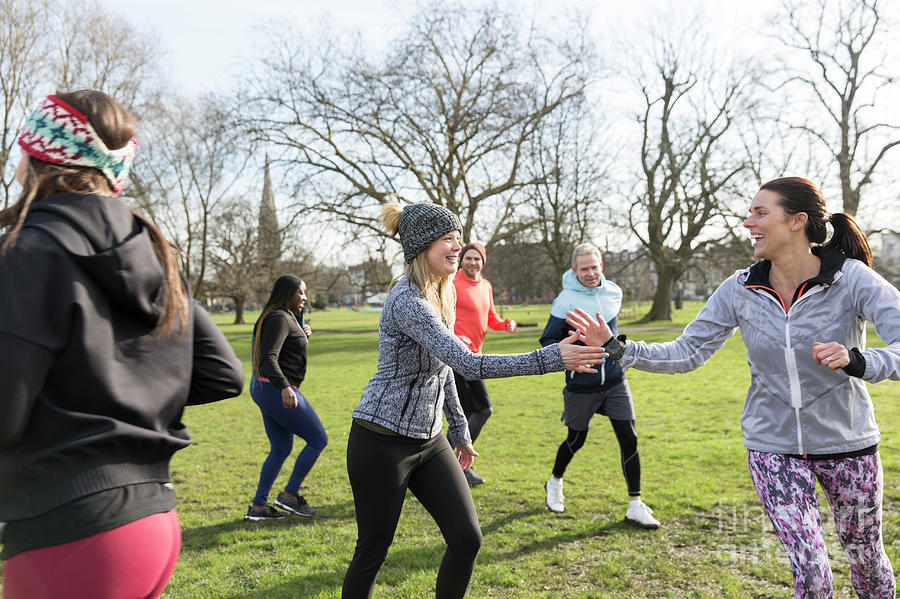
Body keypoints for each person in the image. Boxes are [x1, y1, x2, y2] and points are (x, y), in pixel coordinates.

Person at [567, 177, 900, 598]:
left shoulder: (851, 279)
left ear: (797, 221)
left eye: (761, 213)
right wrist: (617, 348)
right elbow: (687, 351)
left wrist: (861, 361)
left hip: (848, 443)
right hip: (773, 447)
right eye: (749, 213)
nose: (748, 223)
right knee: (813, 575)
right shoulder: (740, 288)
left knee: (867, 559)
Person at [0, 91, 245, 599]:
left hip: (69, 531)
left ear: (39, 158)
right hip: (154, 522)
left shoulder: (27, 249)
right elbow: (220, 372)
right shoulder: (153, 248)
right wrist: (116, 396)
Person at [342, 201, 609, 599]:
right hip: (381, 441)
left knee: (467, 539)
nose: (456, 246)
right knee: (372, 553)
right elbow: (468, 363)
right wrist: (553, 356)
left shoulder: (440, 294)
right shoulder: (408, 302)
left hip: (430, 441)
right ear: (421, 246)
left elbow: (442, 368)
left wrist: (460, 427)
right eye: (447, 240)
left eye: (457, 238)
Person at [539, 243, 659, 528]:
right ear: (574, 270)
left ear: (601, 266)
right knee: (576, 440)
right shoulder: (565, 301)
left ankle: (635, 504)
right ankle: (554, 481)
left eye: (594, 267)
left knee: (629, 438)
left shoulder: (613, 292)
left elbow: (612, 334)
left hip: (616, 380)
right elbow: (547, 342)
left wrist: (620, 345)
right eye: (584, 269)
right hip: (582, 384)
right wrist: (571, 355)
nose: (590, 273)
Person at [246, 275, 328, 521]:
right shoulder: (280, 318)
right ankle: (289, 495)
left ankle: (258, 508)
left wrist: (303, 336)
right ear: (286, 294)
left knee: (281, 447)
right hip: (274, 389)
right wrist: (284, 388)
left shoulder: (285, 317)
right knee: (317, 439)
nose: (304, 297)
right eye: (300, 293)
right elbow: (268, 357)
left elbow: (286, 353)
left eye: (305, 293)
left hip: (265, 388)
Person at [452, 241, 517, 485]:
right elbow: (440, 316)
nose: (472, 262)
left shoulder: (486, 286)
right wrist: (455, 337)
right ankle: (455, 464)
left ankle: (452, 466)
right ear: (462, 260)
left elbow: (491, 317)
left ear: (483, 262)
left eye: (476, 259)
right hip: (456, 357)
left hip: (476, 358)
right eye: (468, 258)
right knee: (483, 409)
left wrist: (505, 324)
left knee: (466, 413)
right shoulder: (452, 283)